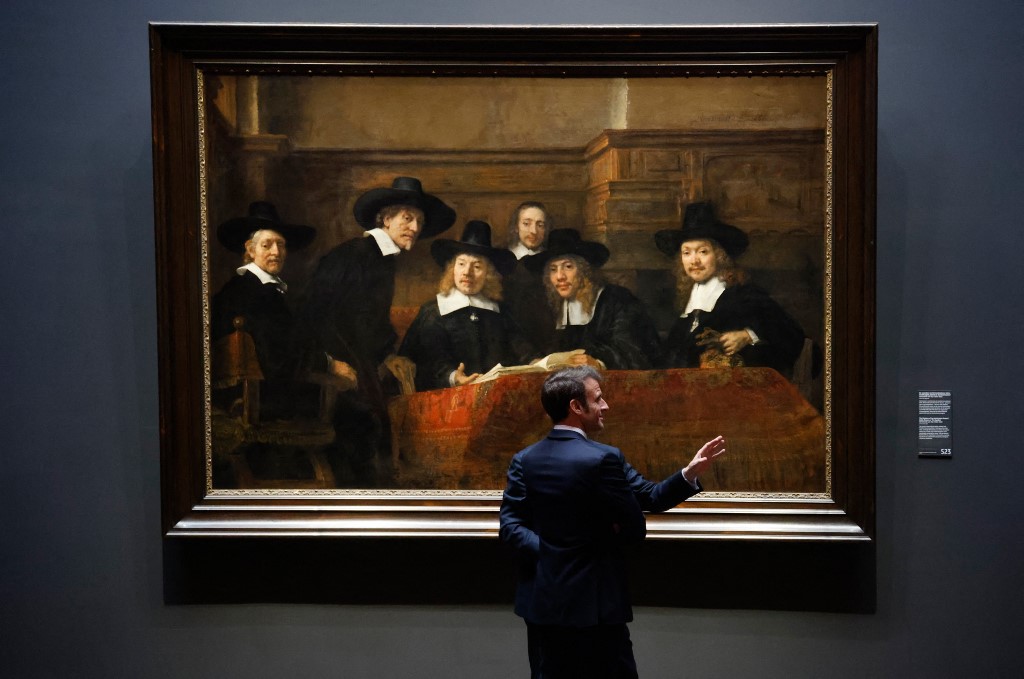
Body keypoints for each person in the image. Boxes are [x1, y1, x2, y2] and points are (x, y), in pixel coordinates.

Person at [499, 366, 726, 679]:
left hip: (543, 602)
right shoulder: (604, 458)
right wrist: (597, 539)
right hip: (596, 604)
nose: (605, 406)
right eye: (598, 399)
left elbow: (511, 526)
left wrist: (689, 473)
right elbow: (641, 516)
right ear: (576, 406)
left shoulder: (523, 460)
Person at [299, 176, 456, 483]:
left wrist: (387, 355)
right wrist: (333, 362)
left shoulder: (382, 259)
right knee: (365, 423)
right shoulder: (355, 254)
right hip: (331, 364)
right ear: (386, 219)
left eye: (420, 222)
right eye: (407, 218)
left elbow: (372, 322)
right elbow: (317, 314)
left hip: (359, 361)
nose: (415, 228)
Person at [654, 201, 807, 376]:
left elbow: (792, 335)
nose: (694, 260)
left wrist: (747, 336)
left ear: (720, 256)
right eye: (687, 252)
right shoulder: (688, 304)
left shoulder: (745, 296)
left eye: (703, 251)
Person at [399, 220, 538, 390]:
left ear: (488, 274)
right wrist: (453, 377)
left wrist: (535, 361)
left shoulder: (500, 311)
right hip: (449, 395)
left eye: (477, 266)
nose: (467, 272)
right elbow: (431, 360)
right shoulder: (433, 311)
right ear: (452, 269)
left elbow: (521, 346)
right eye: (461, 264)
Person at [211, 201, 319, 418]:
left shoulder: (259, 288)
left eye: (281, 244)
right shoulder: (250, 292)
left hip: (263, 389)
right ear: (250, 250)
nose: (276, 252)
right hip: (258, 396)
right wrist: (327, 364)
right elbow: (278, 353)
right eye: (267, 245)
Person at [522, 229, 662, 370]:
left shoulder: (617, 299)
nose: (560, 276)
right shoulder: (554, 307)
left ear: (585, 270)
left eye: (568, 267)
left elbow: (632, 351)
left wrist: (599, 363)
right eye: (553, 269)